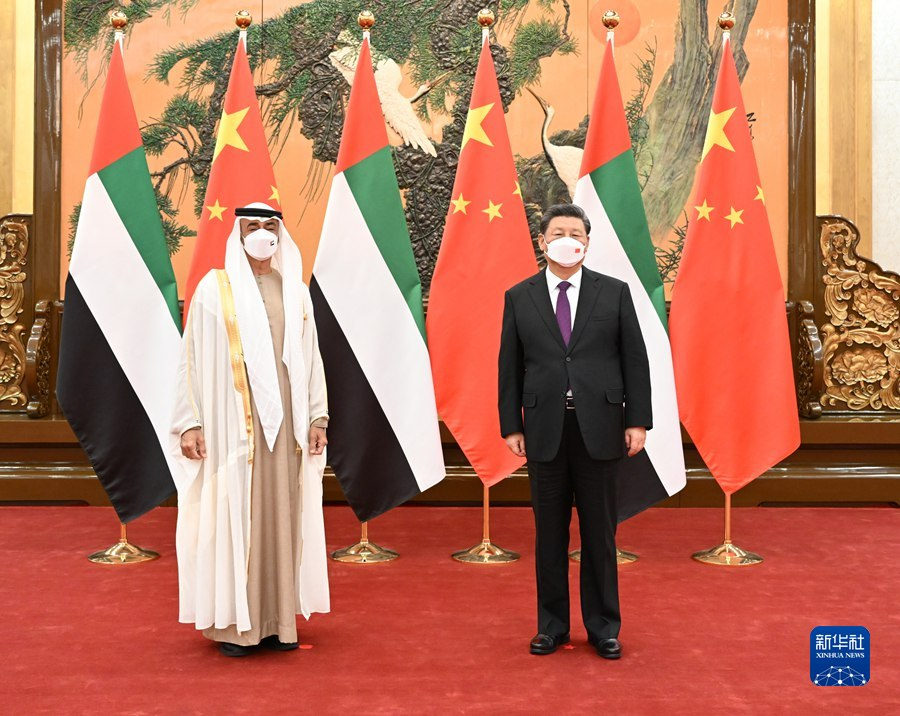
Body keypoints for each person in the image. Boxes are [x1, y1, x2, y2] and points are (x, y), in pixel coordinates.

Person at [171, 202, 330, 657]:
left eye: (269, 226)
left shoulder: (295, 291)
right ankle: (234, 627)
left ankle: (277, 622)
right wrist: (190, 422)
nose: (262, 233)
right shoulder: (213, 290)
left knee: (280, 515)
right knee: (235, 515)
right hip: (232, 426)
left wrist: (317, 416)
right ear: (238, 234)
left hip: (286, 432)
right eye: (252, 226)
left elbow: (311, 357)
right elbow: (190, 358)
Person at [498, 203, 651, 660]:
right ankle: (552, 626)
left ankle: (603, 627)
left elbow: (635, 360)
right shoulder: (519, 296)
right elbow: (509, 366)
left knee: (600, 534)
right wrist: (511, 425)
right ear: (542, 241)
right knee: (549, 534)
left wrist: (637, 420)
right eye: (558, 233)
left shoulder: (614, 293)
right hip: (544, 429)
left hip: (601, 428)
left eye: (576, 233)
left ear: (587, 242)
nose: (568, 240)